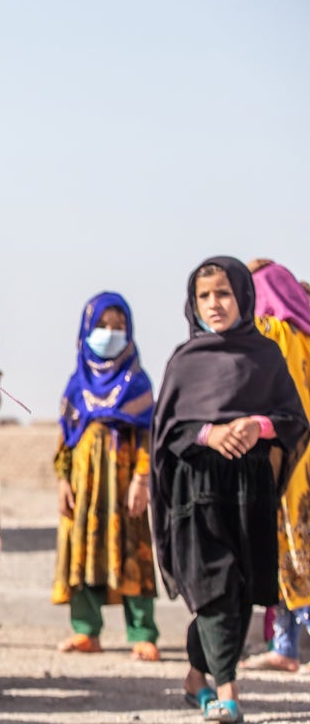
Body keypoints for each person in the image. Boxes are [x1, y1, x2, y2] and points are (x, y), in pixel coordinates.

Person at [151, 257, 308, 723]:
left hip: (250, 491)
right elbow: (167, 432)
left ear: (243, 296)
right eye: (204, 296)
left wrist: (256, 426)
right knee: (216, 588)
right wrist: (208, 434)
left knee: (239, 592)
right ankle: (228, 695)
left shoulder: (266, 356)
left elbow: (294, 421)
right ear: (192, 302)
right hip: (195, 492)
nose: (214, 304)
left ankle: (196, 678)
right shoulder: (184, 360)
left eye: (223, 293)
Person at [52, 292, 159, 660]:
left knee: (134, 552)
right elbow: (65, 438)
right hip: (83, 489)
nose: (110, 333)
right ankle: (86, 632)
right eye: (102, 326)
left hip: (124, 485)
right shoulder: (75, 385)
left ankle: (143, 634)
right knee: (81, 552)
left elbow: (146, 435)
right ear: (86, 330)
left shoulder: (138, 383)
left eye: (118, 327)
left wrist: (142, 480)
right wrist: (63, 480)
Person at [240, 260, 310, 673]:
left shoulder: (271, 334)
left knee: (290, 545)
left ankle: (287, 641)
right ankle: (284, 644)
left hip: (286, 460)